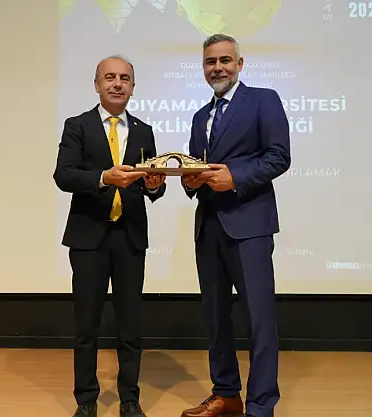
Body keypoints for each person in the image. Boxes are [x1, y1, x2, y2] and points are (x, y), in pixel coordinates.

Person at [180, 34, 291, 417]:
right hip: (208, 228)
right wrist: (188, 179)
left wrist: (235, 177)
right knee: (215, 319)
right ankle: (226, 394)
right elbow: (196, 167)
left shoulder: (264, 100)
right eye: (211, 62)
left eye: (225, 60)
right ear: (203, 67)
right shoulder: (200, 116)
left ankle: (260, 406)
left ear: (239, 64)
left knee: (259, 320)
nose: (218, 68)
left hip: (250, 226)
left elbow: (279, 157)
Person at [53, 54, 167, 417]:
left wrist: (154, 185)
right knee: (87, 324)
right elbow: (64, 175)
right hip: (89, 238)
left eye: (124, 78)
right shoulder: (78, 126)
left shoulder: (144, 130)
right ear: (97, 84)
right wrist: (104, 177)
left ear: (133, 87)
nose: (117, 84)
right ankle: (86, 399)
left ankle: (129, 398)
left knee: (130, 324)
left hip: (129, 237)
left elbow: (153, 187)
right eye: (110, 78)